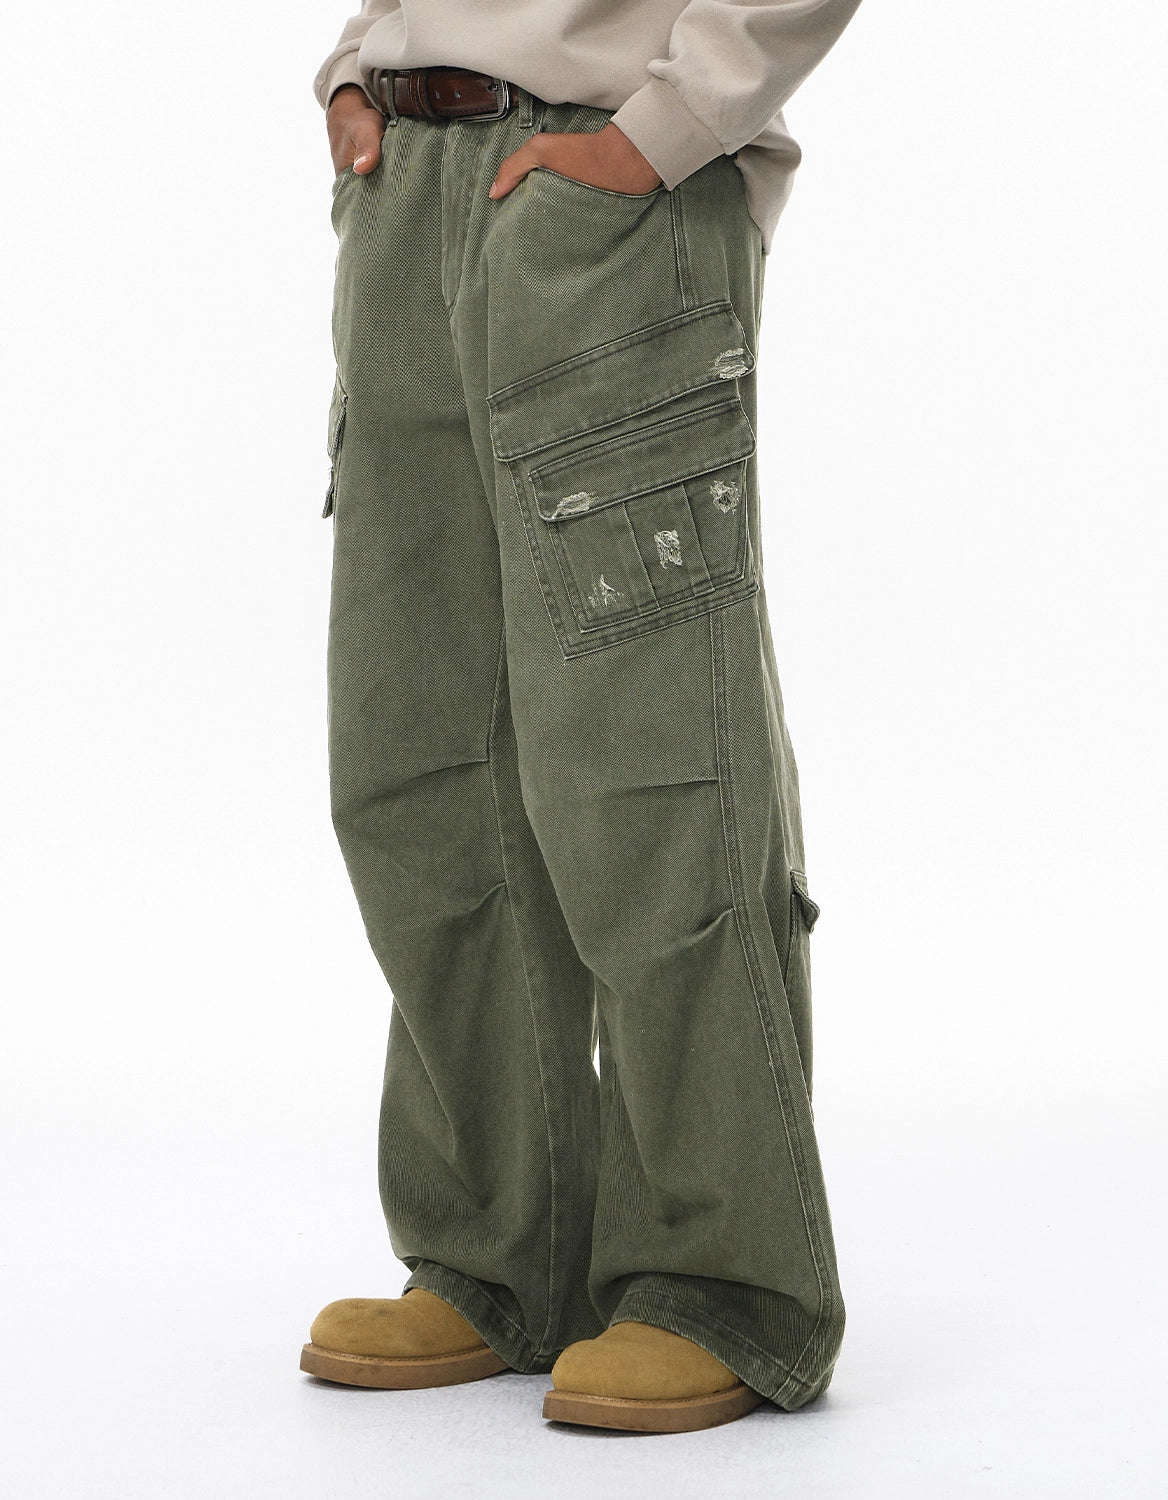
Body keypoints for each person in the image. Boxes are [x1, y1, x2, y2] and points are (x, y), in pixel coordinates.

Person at [300, 0, 863, 1435]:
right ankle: (499, 1255)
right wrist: (360, 68)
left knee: (646, 763)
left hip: (608, 194)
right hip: (405, 185)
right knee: (419, 761)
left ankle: (724, 1278)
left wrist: (667, 126)